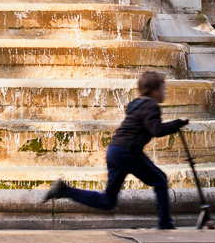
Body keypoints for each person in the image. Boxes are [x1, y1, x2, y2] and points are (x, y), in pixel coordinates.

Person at [43, 70, 188, 230]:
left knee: (108, 201)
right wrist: (177, 123)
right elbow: (156, 130)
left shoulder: (139, 105)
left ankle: (64, 190)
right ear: (154, 91)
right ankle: (166, 224)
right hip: (127, 151)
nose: (166, 92)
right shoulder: (151, 106)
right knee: (160, 180)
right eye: (164, 89)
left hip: (115, 151)